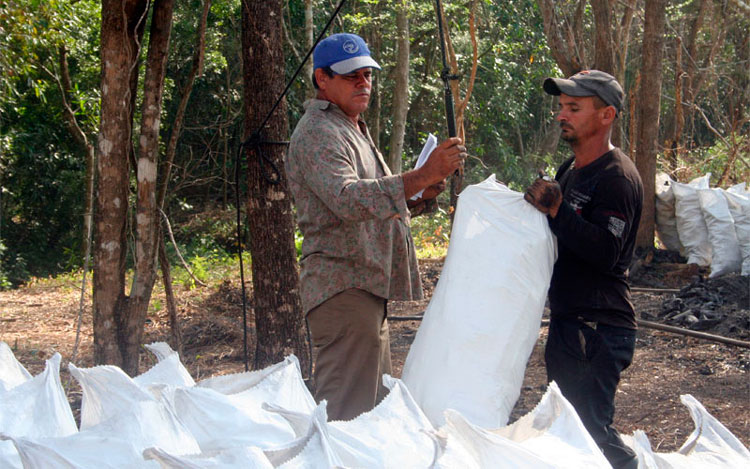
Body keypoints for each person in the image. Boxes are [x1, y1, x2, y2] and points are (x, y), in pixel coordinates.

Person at [285, 33, 466, 421]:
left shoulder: (351, 128)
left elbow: (372, 204)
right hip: (342, 287)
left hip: (364, 289)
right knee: (347, 416)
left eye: (367, 75)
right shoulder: (319, 132)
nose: (363, 83)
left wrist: (421, 191)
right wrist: (420, 175)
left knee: (370, 414)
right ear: (322, 78)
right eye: (352, 76)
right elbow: (348, 199)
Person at [524, 70, 643, 469]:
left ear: (606, 115)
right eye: (561, 107)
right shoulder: (569, 171)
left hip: (598, 327)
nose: (562, 115)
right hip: (569, 323)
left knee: (590, 433)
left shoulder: (617, 178)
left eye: (574, 107)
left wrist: (558, 209)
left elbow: (607, 251)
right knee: (566, 431)